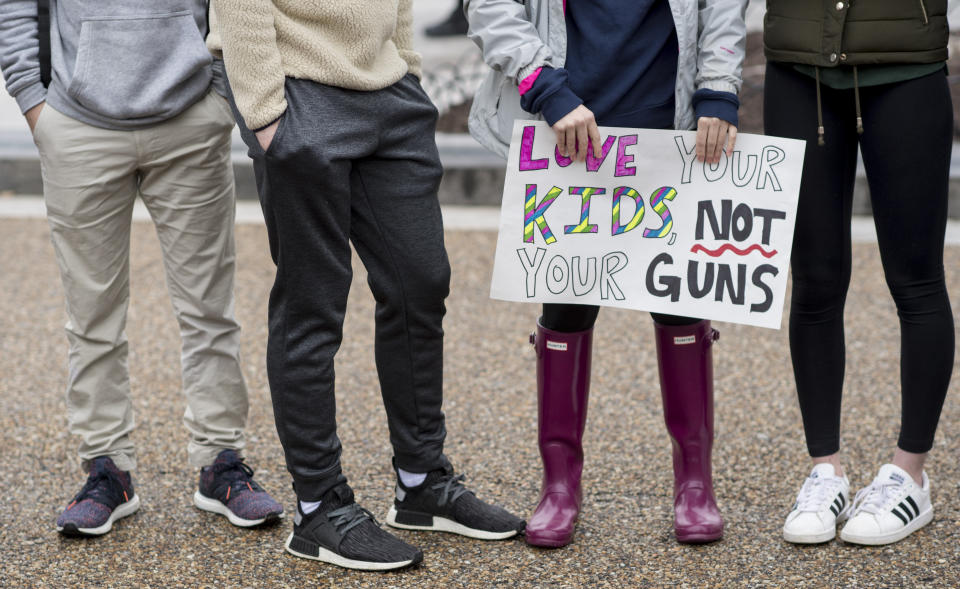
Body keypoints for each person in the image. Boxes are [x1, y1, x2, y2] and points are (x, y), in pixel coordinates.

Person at [208, 0, 524, 572]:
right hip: (298, 94)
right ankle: (318, 507)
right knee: (314, 304)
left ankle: (421, 480)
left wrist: (406, 67)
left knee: (421, 283)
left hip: (390, 94)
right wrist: (263, 111)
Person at [464, 0, 748, 546]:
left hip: (673, 129)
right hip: (565, 129)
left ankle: (695, 483)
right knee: (565, 314)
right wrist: (544, 86)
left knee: (682, 308)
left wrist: (718, 86)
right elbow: (489, 7)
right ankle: (559, 487)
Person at [0, 0, 283, 535]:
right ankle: (107, 470)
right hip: (78, 126)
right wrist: (33, 102)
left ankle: (221, 463)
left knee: (209, 308)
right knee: (92, 316)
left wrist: (221, 95)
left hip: (190, 120)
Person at [764, 1, 954, 546]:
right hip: (798, 66)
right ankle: (826, 472)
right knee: (815, 279)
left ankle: (909, 475)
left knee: (916, 279)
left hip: (906, 64)